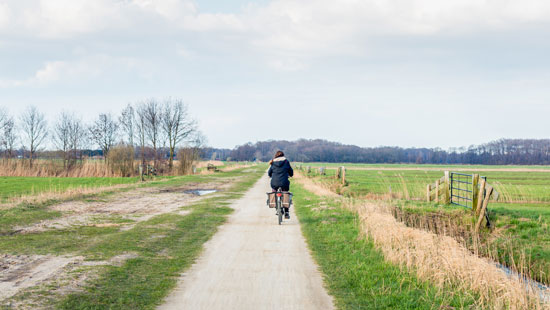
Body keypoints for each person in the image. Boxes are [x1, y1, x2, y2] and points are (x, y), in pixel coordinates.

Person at [268, 151, 294, 219]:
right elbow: (290, 171)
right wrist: (291, 175)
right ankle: (286, 212)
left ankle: (277, 208)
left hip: (274, 182)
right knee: (285, 193)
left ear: (275, 156)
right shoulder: (286, 162)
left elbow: (269, 172)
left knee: (274, 191)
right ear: (283, 156)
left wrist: (271, 175)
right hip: (284, 182)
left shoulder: (273, 162)